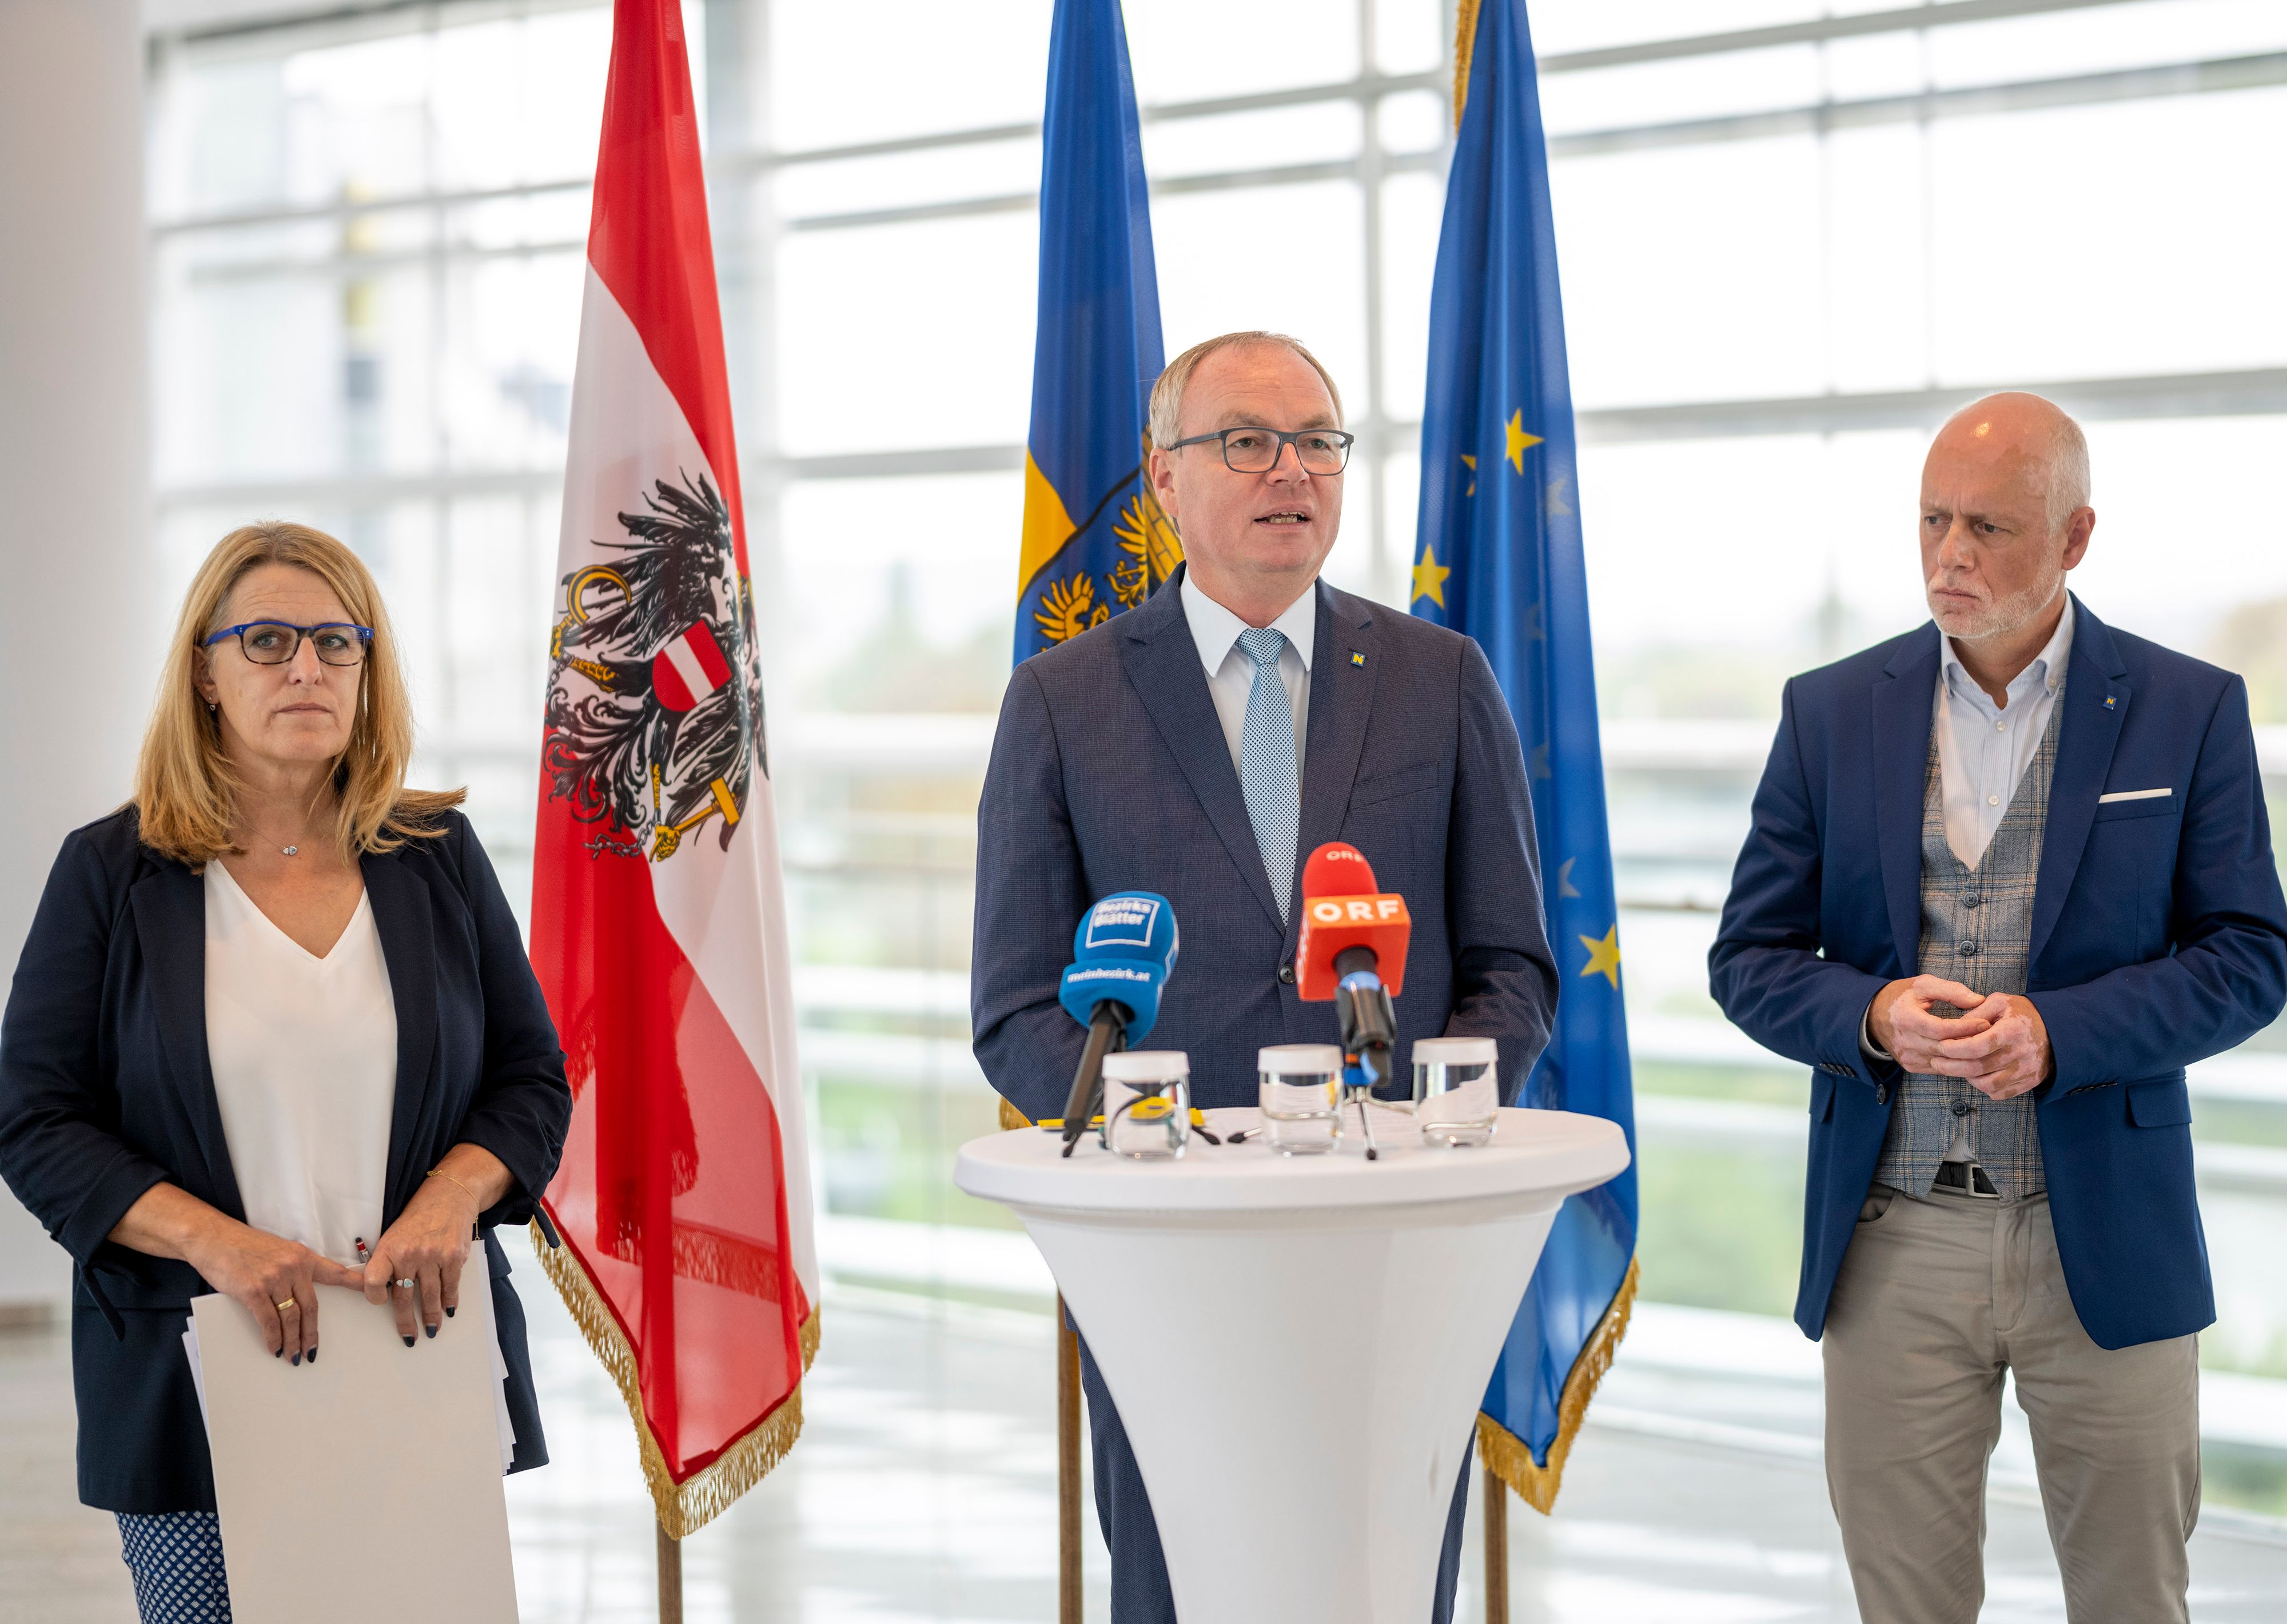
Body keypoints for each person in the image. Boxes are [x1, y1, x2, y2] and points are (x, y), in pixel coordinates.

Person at [971, 330, 1559, 1623]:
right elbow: (1015, 1004)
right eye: (1246, 440)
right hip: (1171, 1259)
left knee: (1380, 1579)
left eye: (1317, 442)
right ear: (1164, 476)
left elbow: (1512, 962)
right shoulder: (1061, 699)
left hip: (1389, 1242)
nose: (1289, 471)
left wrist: (1427, 1119)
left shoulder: (1439, 678)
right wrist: (1154, 1136)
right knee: (1178, 1584)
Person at [1708, 393, 2287, 1623]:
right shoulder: (1827, 711)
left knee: (2132, 1598)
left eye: (1986, 526)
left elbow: (2246, 956)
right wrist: (1870, 1013)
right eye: (1929, 521)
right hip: (1894, 1236)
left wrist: (2059, 1032)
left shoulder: (2188, 709)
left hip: (2107, 1244)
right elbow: (1748, 955)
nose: (1947, 556)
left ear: (2074, 537)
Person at [0, 521, 572, 1622]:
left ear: (368, 669)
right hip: (194, 1378)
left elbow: (531, 1076)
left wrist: (454, 1200)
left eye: (335, 642)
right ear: (206, 675)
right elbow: (34, 1119)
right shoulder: (110, 872)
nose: (305, 667)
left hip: (418, 1363)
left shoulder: (438, 857)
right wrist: (220, 1241)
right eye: (265, 640)